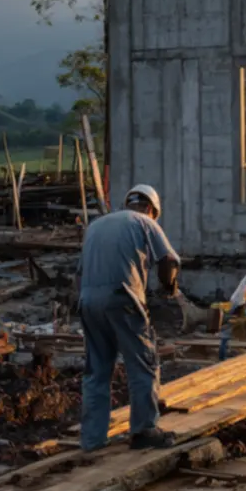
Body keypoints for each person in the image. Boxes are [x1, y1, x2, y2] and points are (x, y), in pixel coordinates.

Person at [76, 183, 181, 452]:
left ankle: (92, 440)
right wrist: (168, 288)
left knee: (96, 370)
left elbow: (80, 271)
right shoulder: (144, 221)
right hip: (122, 299)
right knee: (143, 363)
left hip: (88, 301)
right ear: (151, 209)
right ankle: (145, 429)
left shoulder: (96, 226)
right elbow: (168, 260)